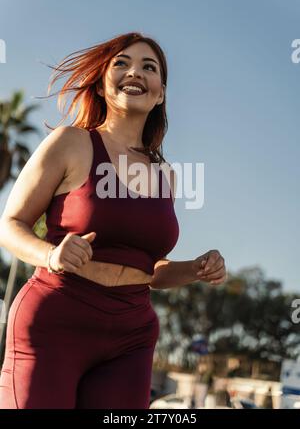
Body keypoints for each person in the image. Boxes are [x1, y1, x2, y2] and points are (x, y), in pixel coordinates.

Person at [0, 32, 227, 409]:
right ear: (103, 86)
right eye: (121, 63)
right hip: (57, 317)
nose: (134, 71)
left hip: (132, 335)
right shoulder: (71, 142)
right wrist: (52, 254)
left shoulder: (166, 175)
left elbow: (149, 270)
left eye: (148, 67)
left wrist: (196, 268)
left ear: (160, 94)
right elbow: (10, 223)